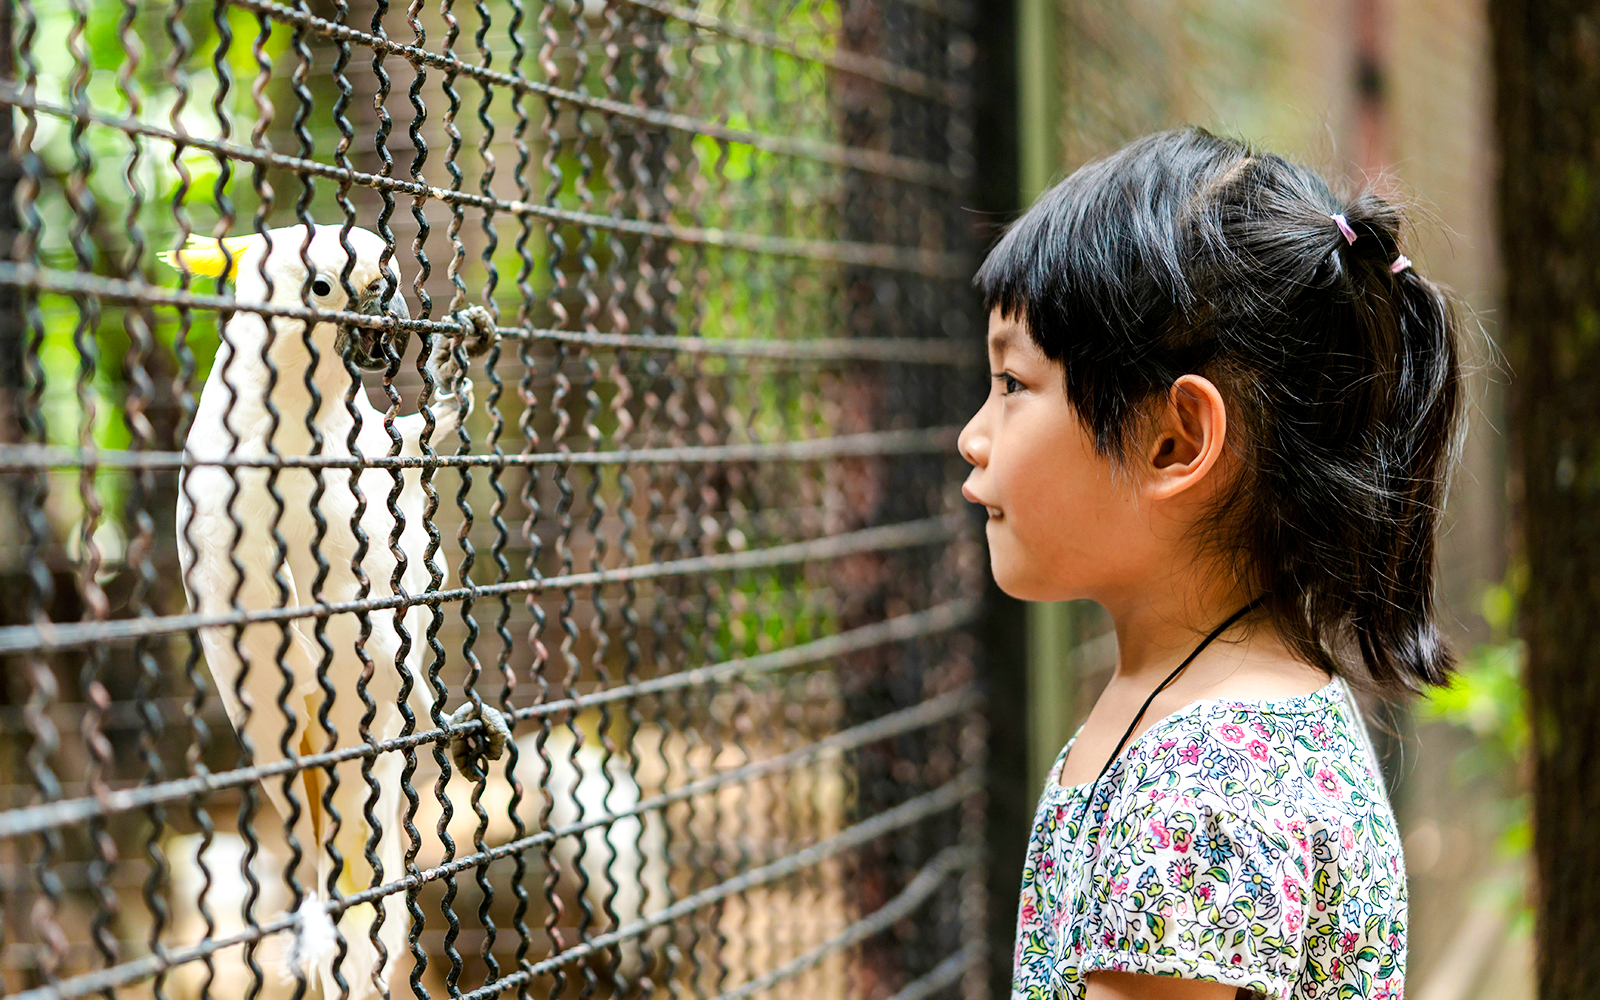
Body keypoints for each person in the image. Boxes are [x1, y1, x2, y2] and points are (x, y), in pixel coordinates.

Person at [959, 128, 1461, 1000]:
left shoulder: (1200, 795)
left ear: (1174, 440)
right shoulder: (1225, 716)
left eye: (1012, 385)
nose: (973, 436)